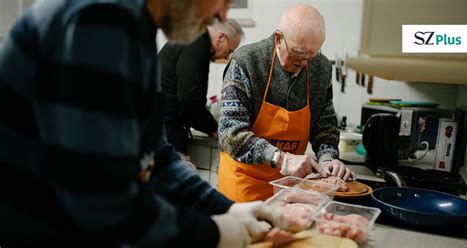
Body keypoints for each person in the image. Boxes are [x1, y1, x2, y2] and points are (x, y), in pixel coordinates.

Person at [0, 0, 285, 247]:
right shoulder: (104, 17)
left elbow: (155, 157)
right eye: (223, 1)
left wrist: (227, 210)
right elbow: (99, 195)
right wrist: (211, 233)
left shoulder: (135, 27)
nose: (223, 16)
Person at [217, 4, 355, 202]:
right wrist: (283, 158)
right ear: (279, 39)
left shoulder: (321, 68)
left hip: (287, 188)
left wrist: (328, 159)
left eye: (312, 55)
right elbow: (231, 134)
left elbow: (325, 128)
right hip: (243, 185)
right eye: (299, 54)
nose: (305, 63)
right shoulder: (246, 62)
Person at [159, 19, 243, 153]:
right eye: (229, 50)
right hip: (165, 124)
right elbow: (189, 100)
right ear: (221, 38)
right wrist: (214, 128)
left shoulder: (193, 37)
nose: (227, 56)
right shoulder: (196, 43)